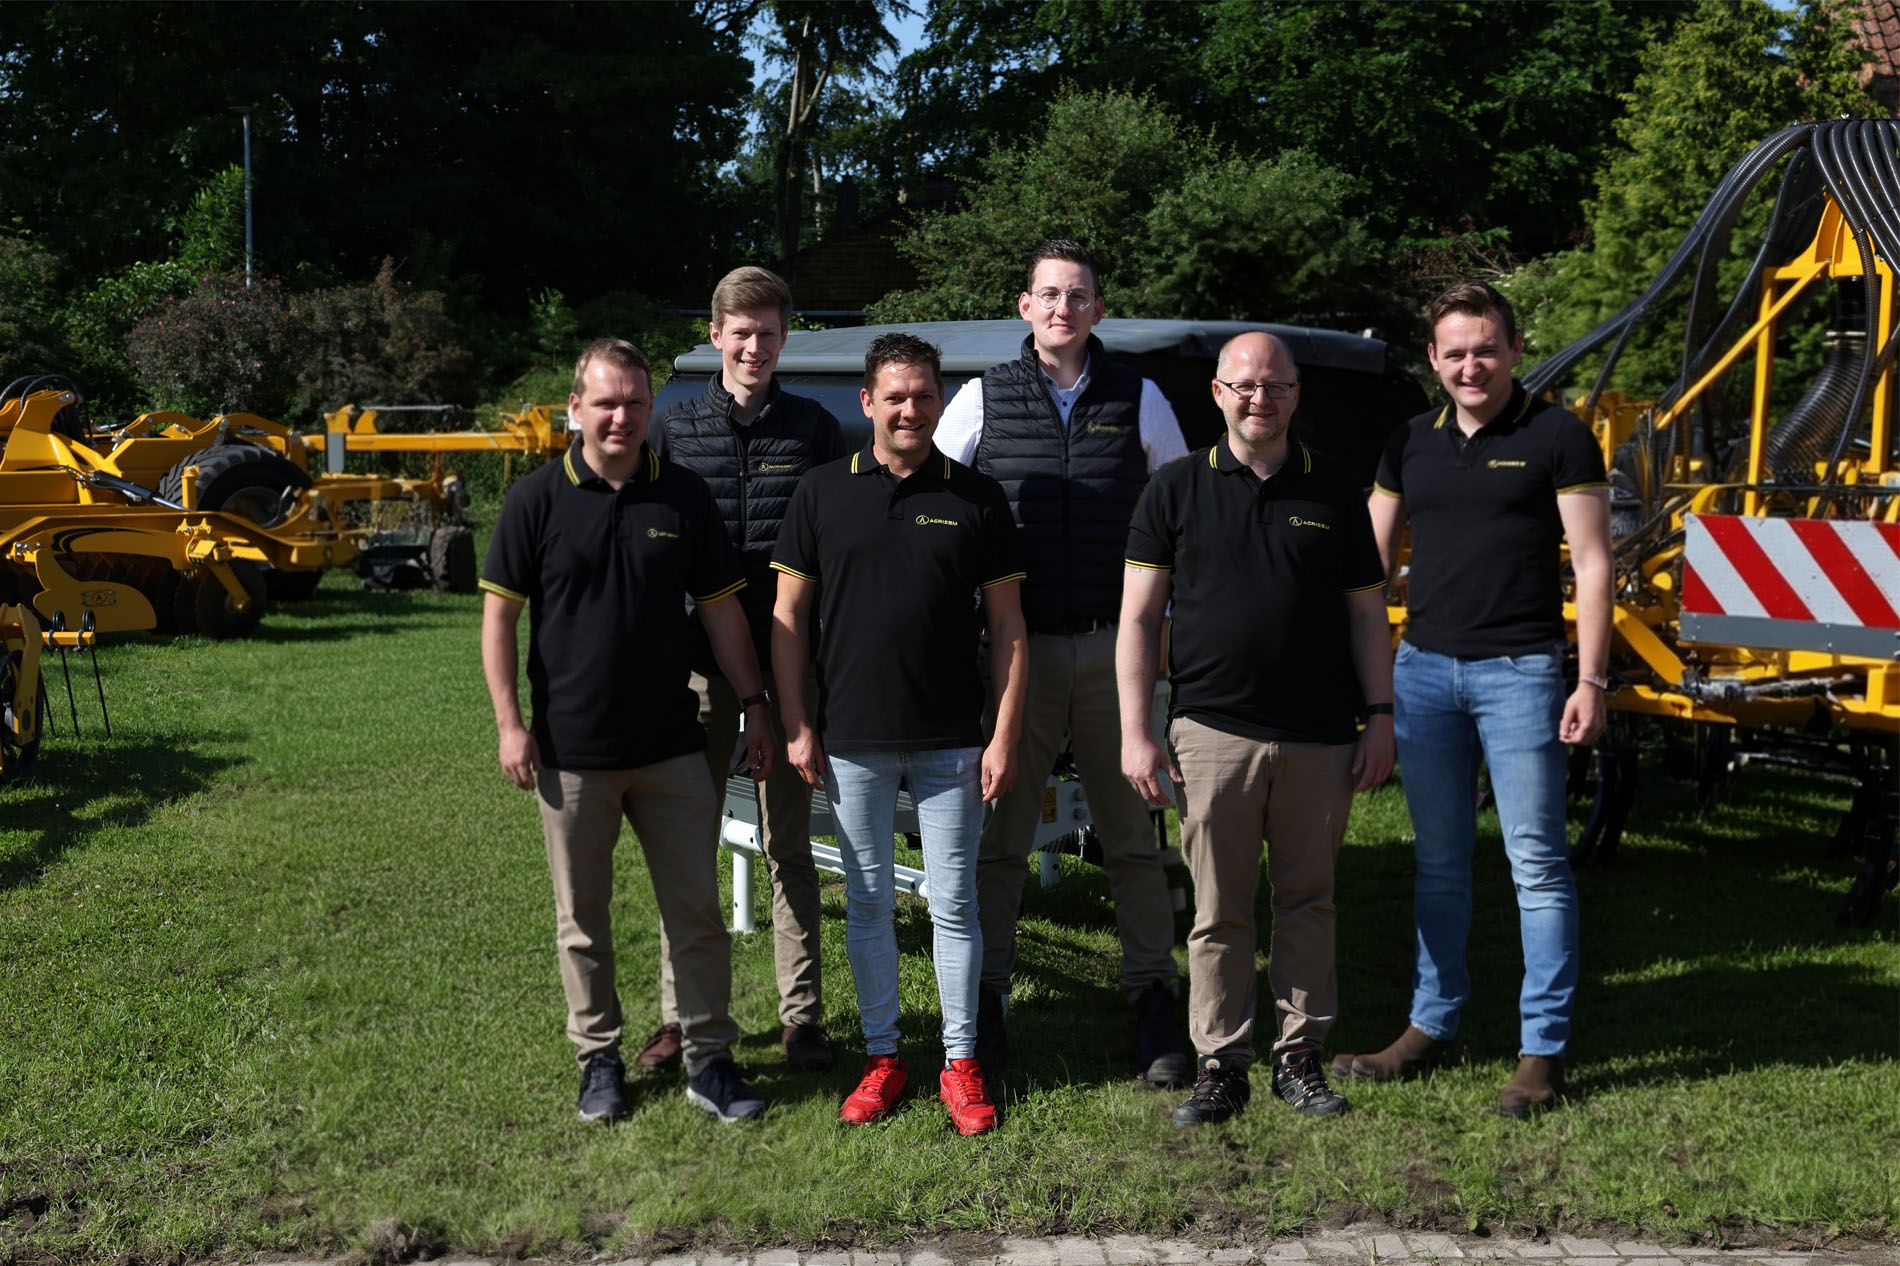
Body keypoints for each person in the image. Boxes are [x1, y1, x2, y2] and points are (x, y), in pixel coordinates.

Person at [1330, 281, 1612, 1118]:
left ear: (1515, 347)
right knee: (1440, 864)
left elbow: (1594, 565)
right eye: (1454, 352)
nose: (1470, 365)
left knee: (1538, 869)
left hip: (1522, 673)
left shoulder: (1558, 435)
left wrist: (1590, 679)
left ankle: (1541, 1053)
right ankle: (1430, 1024)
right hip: (1424, 675)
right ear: (1433, 358)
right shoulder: (1409, 441)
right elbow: (1366, 571)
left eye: (1485, 348)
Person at [480, 337, 777, 1126]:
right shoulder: (535, 501)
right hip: (571, 753)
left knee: (698, 916)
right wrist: (511, 725)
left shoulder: (681, 497)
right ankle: (599, 1060)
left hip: (673, 747)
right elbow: (499, 618)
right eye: (605, 403)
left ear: (653, 410)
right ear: (574, 409)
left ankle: (710, 1059)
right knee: (584, 921)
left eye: (635, 403)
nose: (621, 417)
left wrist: (754, 702)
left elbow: (721, 613)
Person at [1118, 331, 1394, 1125]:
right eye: (1242, 385)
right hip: (1212, 733)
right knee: (1219, 910)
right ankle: (1220, 1060)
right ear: (1216, 393)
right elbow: (1139, 621)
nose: (1258, 399)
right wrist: (1140, 731)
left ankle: (1299, 1058)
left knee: (1309, 900)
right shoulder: (1172, 491)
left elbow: (1368, 616)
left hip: (1320, 734)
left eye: (1274, 385)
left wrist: (1379, 716)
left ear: (1296, 394)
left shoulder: (1337, 489)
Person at [934, 239, 1191, 1085]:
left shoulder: (1142, 399)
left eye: (1078, 295)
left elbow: (1187, 515)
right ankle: (992, 999)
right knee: (1003, 835)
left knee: (1131, 834)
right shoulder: (979, 401)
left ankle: (1153, 996)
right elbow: (937, 512)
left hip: (1118, 651)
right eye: (1048, 295)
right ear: (1023, 306)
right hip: (1018, 656)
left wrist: (1166, 638)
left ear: (1098, 310)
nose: (1062, 309)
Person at [771, 332, 1029, 1136]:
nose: (910, 408)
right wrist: (797, 724)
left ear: (940, 400)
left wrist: (1005, 734)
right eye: (896, 395)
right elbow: (787, 619)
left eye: (923, 394)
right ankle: (883, 1057)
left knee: (955, 902)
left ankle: (960, 1063)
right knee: (871, 901)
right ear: (868, 403)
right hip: (850, 735)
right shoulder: (821, 492)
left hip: (953, 736)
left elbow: (1011, 630)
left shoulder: (978, 499)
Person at [649, 266, 846, 1075]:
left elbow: (836, 546)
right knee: (686, 848)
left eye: (768, 333)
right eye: (741, 332)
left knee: (788, 849)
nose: (754, 346)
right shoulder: (674, 427)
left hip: (790, 665)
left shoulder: (812, 430)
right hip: (698, 673)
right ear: (715, 336)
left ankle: (802, 1018)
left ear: (784, 336)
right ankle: (681, 1017)